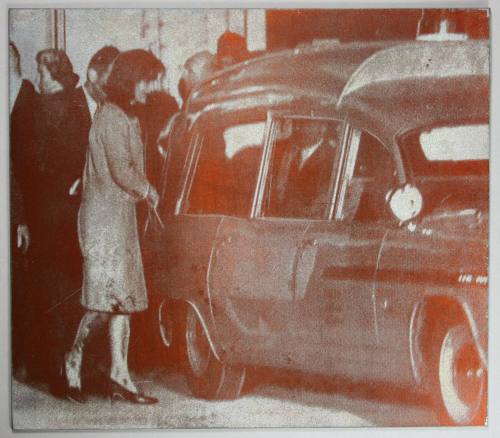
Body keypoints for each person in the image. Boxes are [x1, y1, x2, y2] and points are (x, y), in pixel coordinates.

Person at [63, 49, 163, 405]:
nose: (150, 89)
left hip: (119, 217)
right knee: (104, 302)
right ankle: (72, 359)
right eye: (147, 81)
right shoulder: (109, 117)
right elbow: (122, 170)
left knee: (124, 300)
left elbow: (130, 165)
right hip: (103, 221)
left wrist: (143, 190)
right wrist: (149, 190)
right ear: (130, 80)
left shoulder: (127, 117)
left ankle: (120, 376)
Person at [20, 49, 91, 391]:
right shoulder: (77, 105)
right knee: (68, 287)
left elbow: (33, 161)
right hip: (70, 211)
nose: (37, 78)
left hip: (46, 211)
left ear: (51, 73)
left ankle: (53, 369)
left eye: (40, 72)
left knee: (48, 289)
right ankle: (70, 367)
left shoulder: (44, 109)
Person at [9, 41, 36, 380]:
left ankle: (21, 360)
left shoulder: (29, 100)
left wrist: (21, 219)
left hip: (21, 212)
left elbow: (20, 171)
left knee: (20, 288)